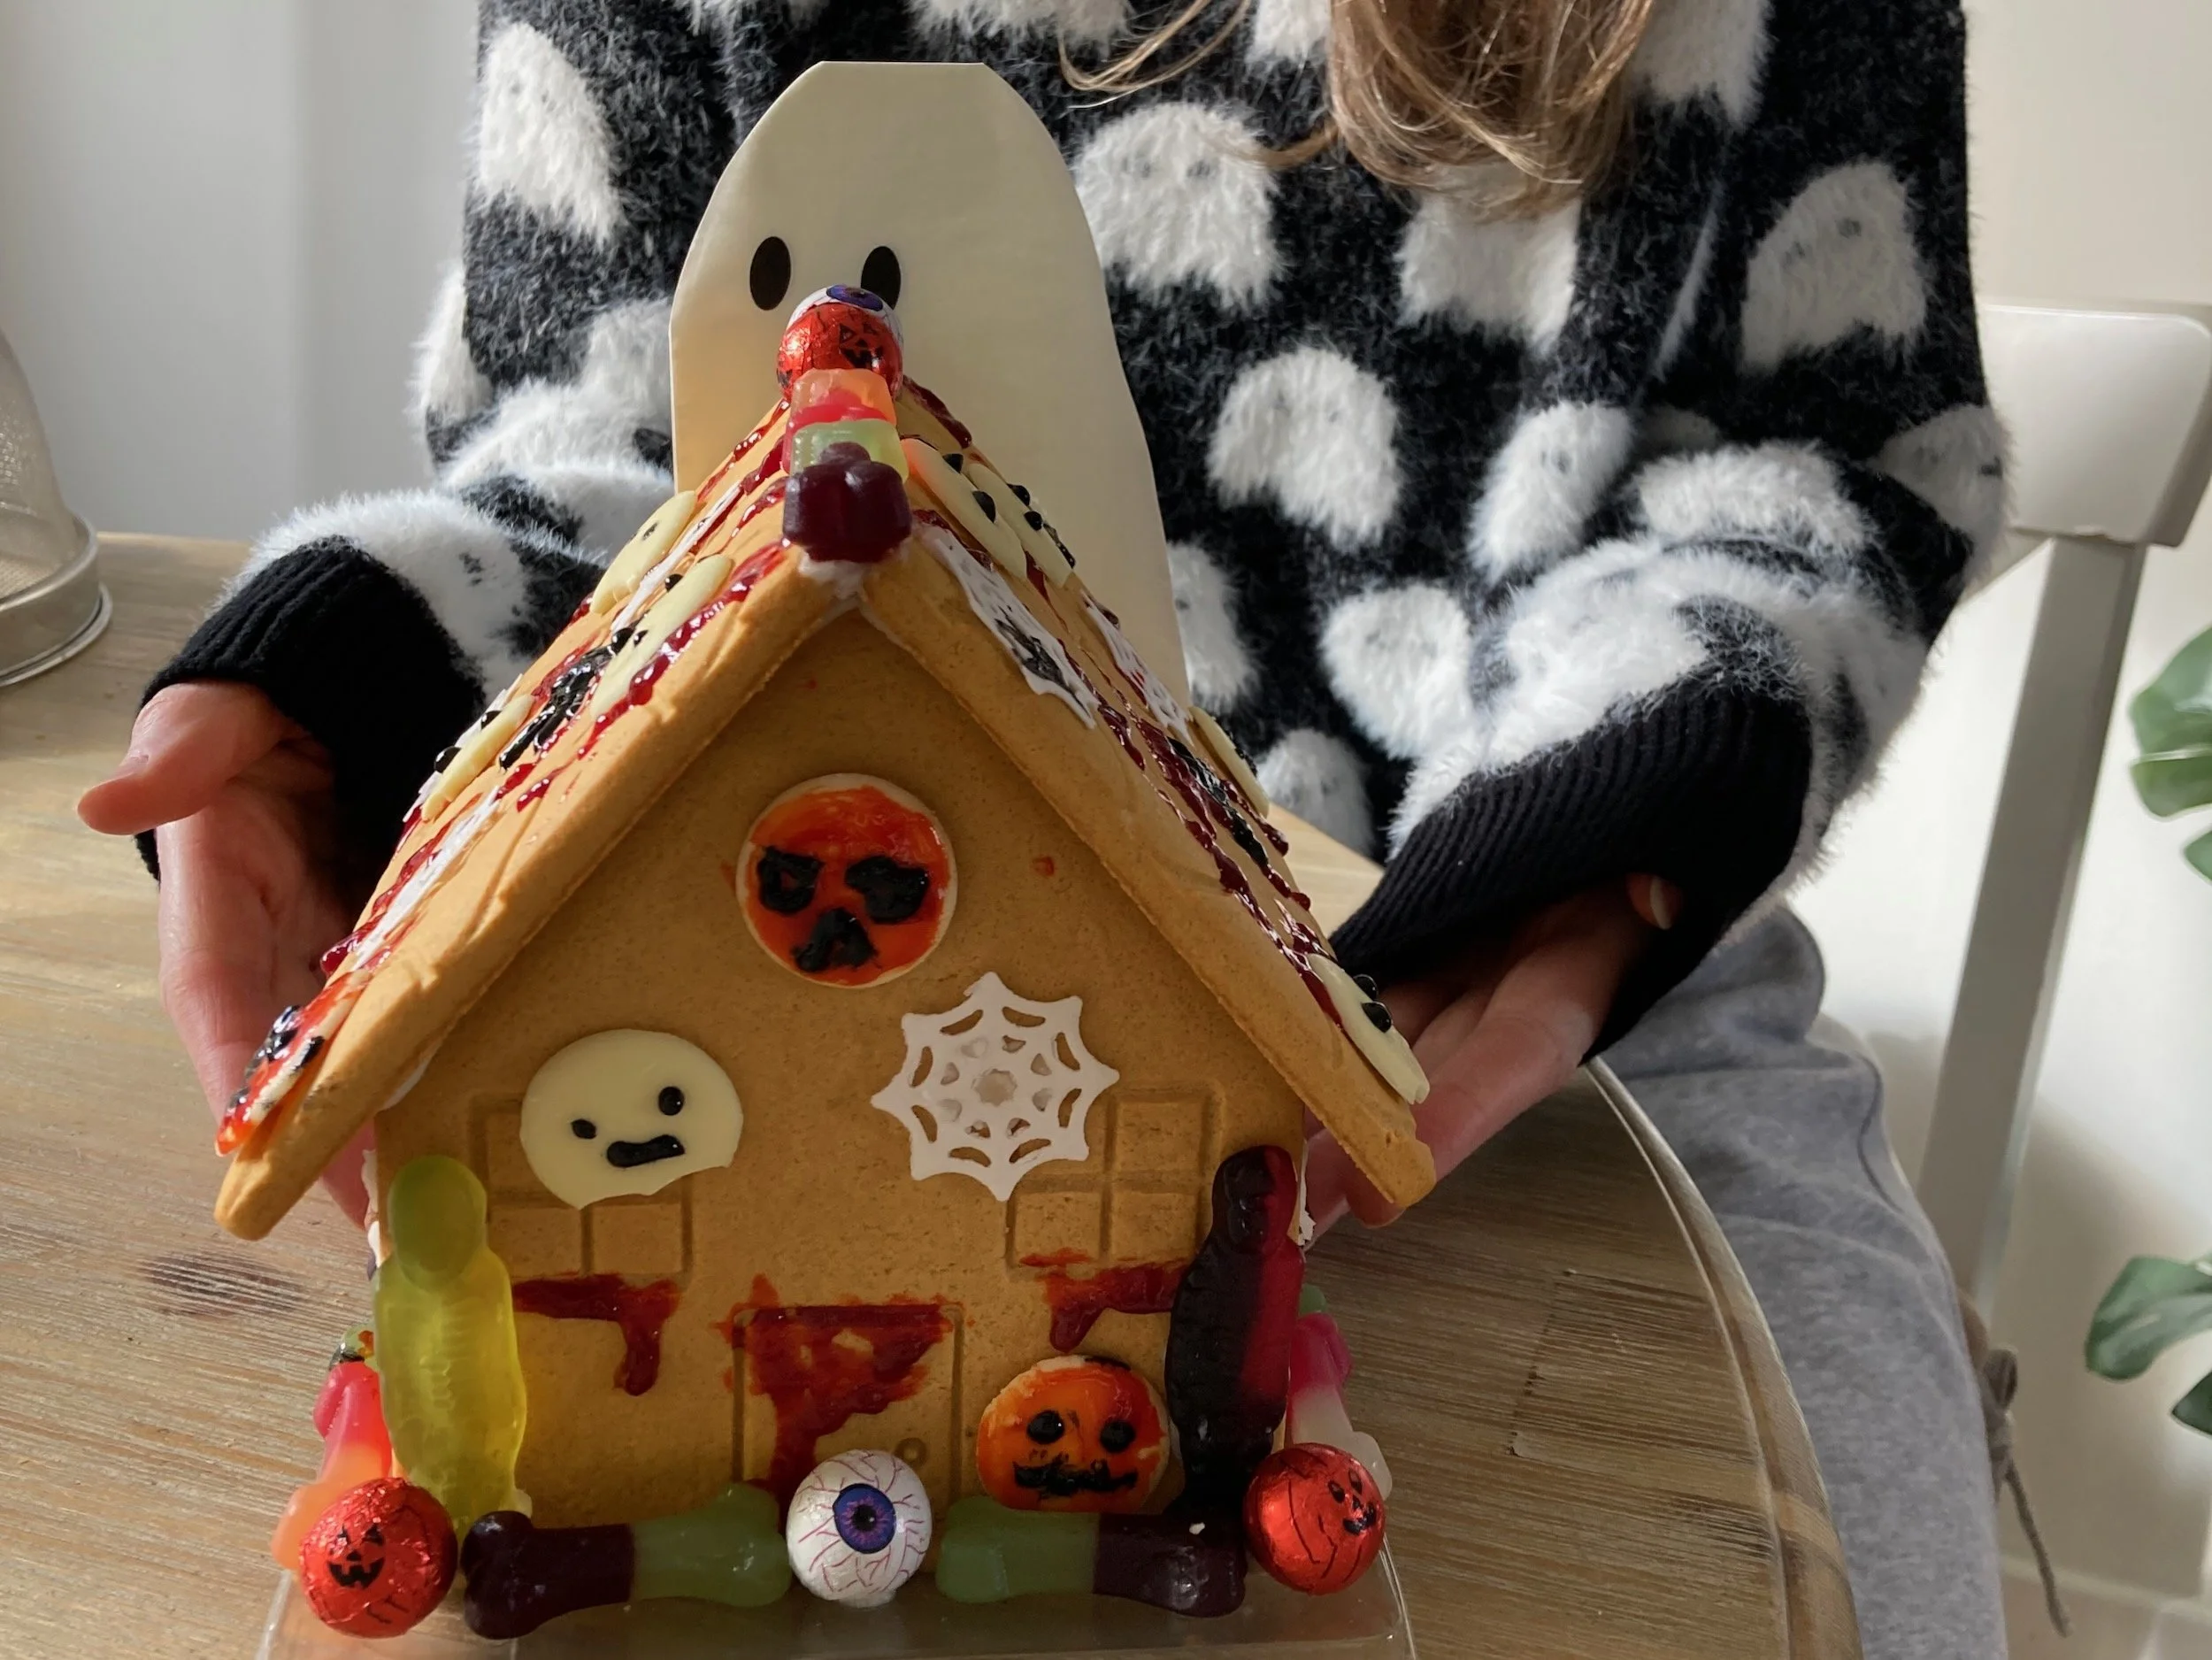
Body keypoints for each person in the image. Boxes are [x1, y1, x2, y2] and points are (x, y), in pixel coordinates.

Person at [78, 0, 2009, 1653]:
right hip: (750, 840)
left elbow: (1813, 458)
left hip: (1537, 956)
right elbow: (619, 430)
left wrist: (1612, 813)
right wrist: (369, 664)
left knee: (1824, 1554)